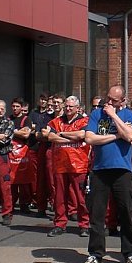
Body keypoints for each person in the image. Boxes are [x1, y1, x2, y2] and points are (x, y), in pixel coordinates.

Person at [82, 85, 132, 263]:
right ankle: (96, 253)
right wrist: (116, 136)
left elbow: (130, 136)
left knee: (126, 212)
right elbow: (90, 138)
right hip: (100, 169)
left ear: (122, 101)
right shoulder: (96, 114)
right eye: (108, 98)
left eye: (113, 100)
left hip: (122, 170)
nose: (108, 103)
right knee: (97, 213)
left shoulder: (129, 115)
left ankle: (130, 253)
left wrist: (115, 116)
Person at [45, 96, 91, 237]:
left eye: (71, 106)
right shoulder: (57, 121)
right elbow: (50, 137)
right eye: (67, 106)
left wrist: (62, 134)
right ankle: (60, 224)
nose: (68, 109)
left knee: (81, 197)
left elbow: (82, 135)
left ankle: (84, 225)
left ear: (77, 107)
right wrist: (71, 137)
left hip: (78, 164)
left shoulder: (84, 120)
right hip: (60, 164)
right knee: (59, 196)